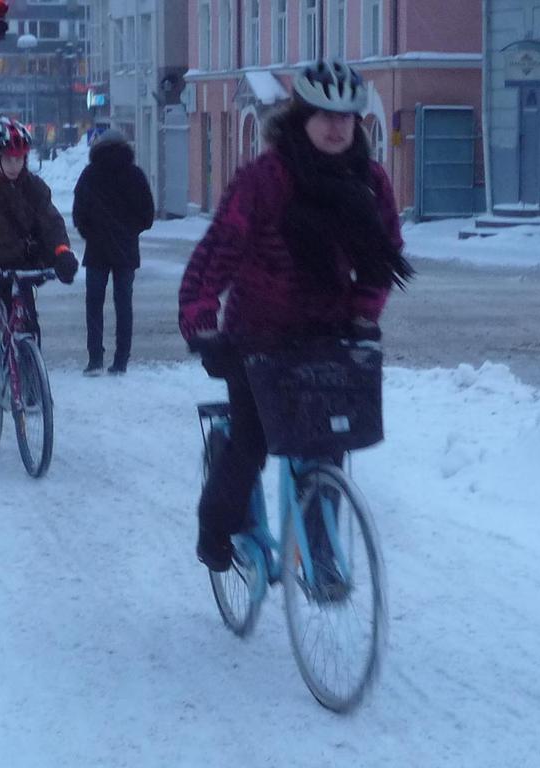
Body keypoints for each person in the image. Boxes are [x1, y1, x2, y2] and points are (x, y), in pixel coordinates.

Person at [178, 60, 412, 572]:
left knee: (329, 442)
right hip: (258, 335)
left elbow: (382, 254)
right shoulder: (265, 179)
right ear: (301, 117)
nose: (336, 127)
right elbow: (220, 250)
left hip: (329, 330)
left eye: (346, 118)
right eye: (324, 115)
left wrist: (362, 313)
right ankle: (216, 530)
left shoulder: (369, 181)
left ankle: (321, 552)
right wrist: (200, 320)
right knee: (253, 440)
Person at [0, 116, 79, 399]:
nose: (15, 165)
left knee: (29, 324)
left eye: (20, 159)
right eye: (10, 159)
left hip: (17, 264)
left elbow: (51, 224)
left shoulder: (34, 187)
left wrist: (61, 254)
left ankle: (32, 381)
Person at [72, 130, 154, 375]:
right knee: (123, 305)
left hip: (96, 249)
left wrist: (91, 232)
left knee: (94, 304)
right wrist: (130, 231)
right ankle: (121, 361)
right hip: (126, 250)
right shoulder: (135, 174)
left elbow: (79, 213)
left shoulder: (90, 174)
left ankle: (95, 359)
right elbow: (147, 215)